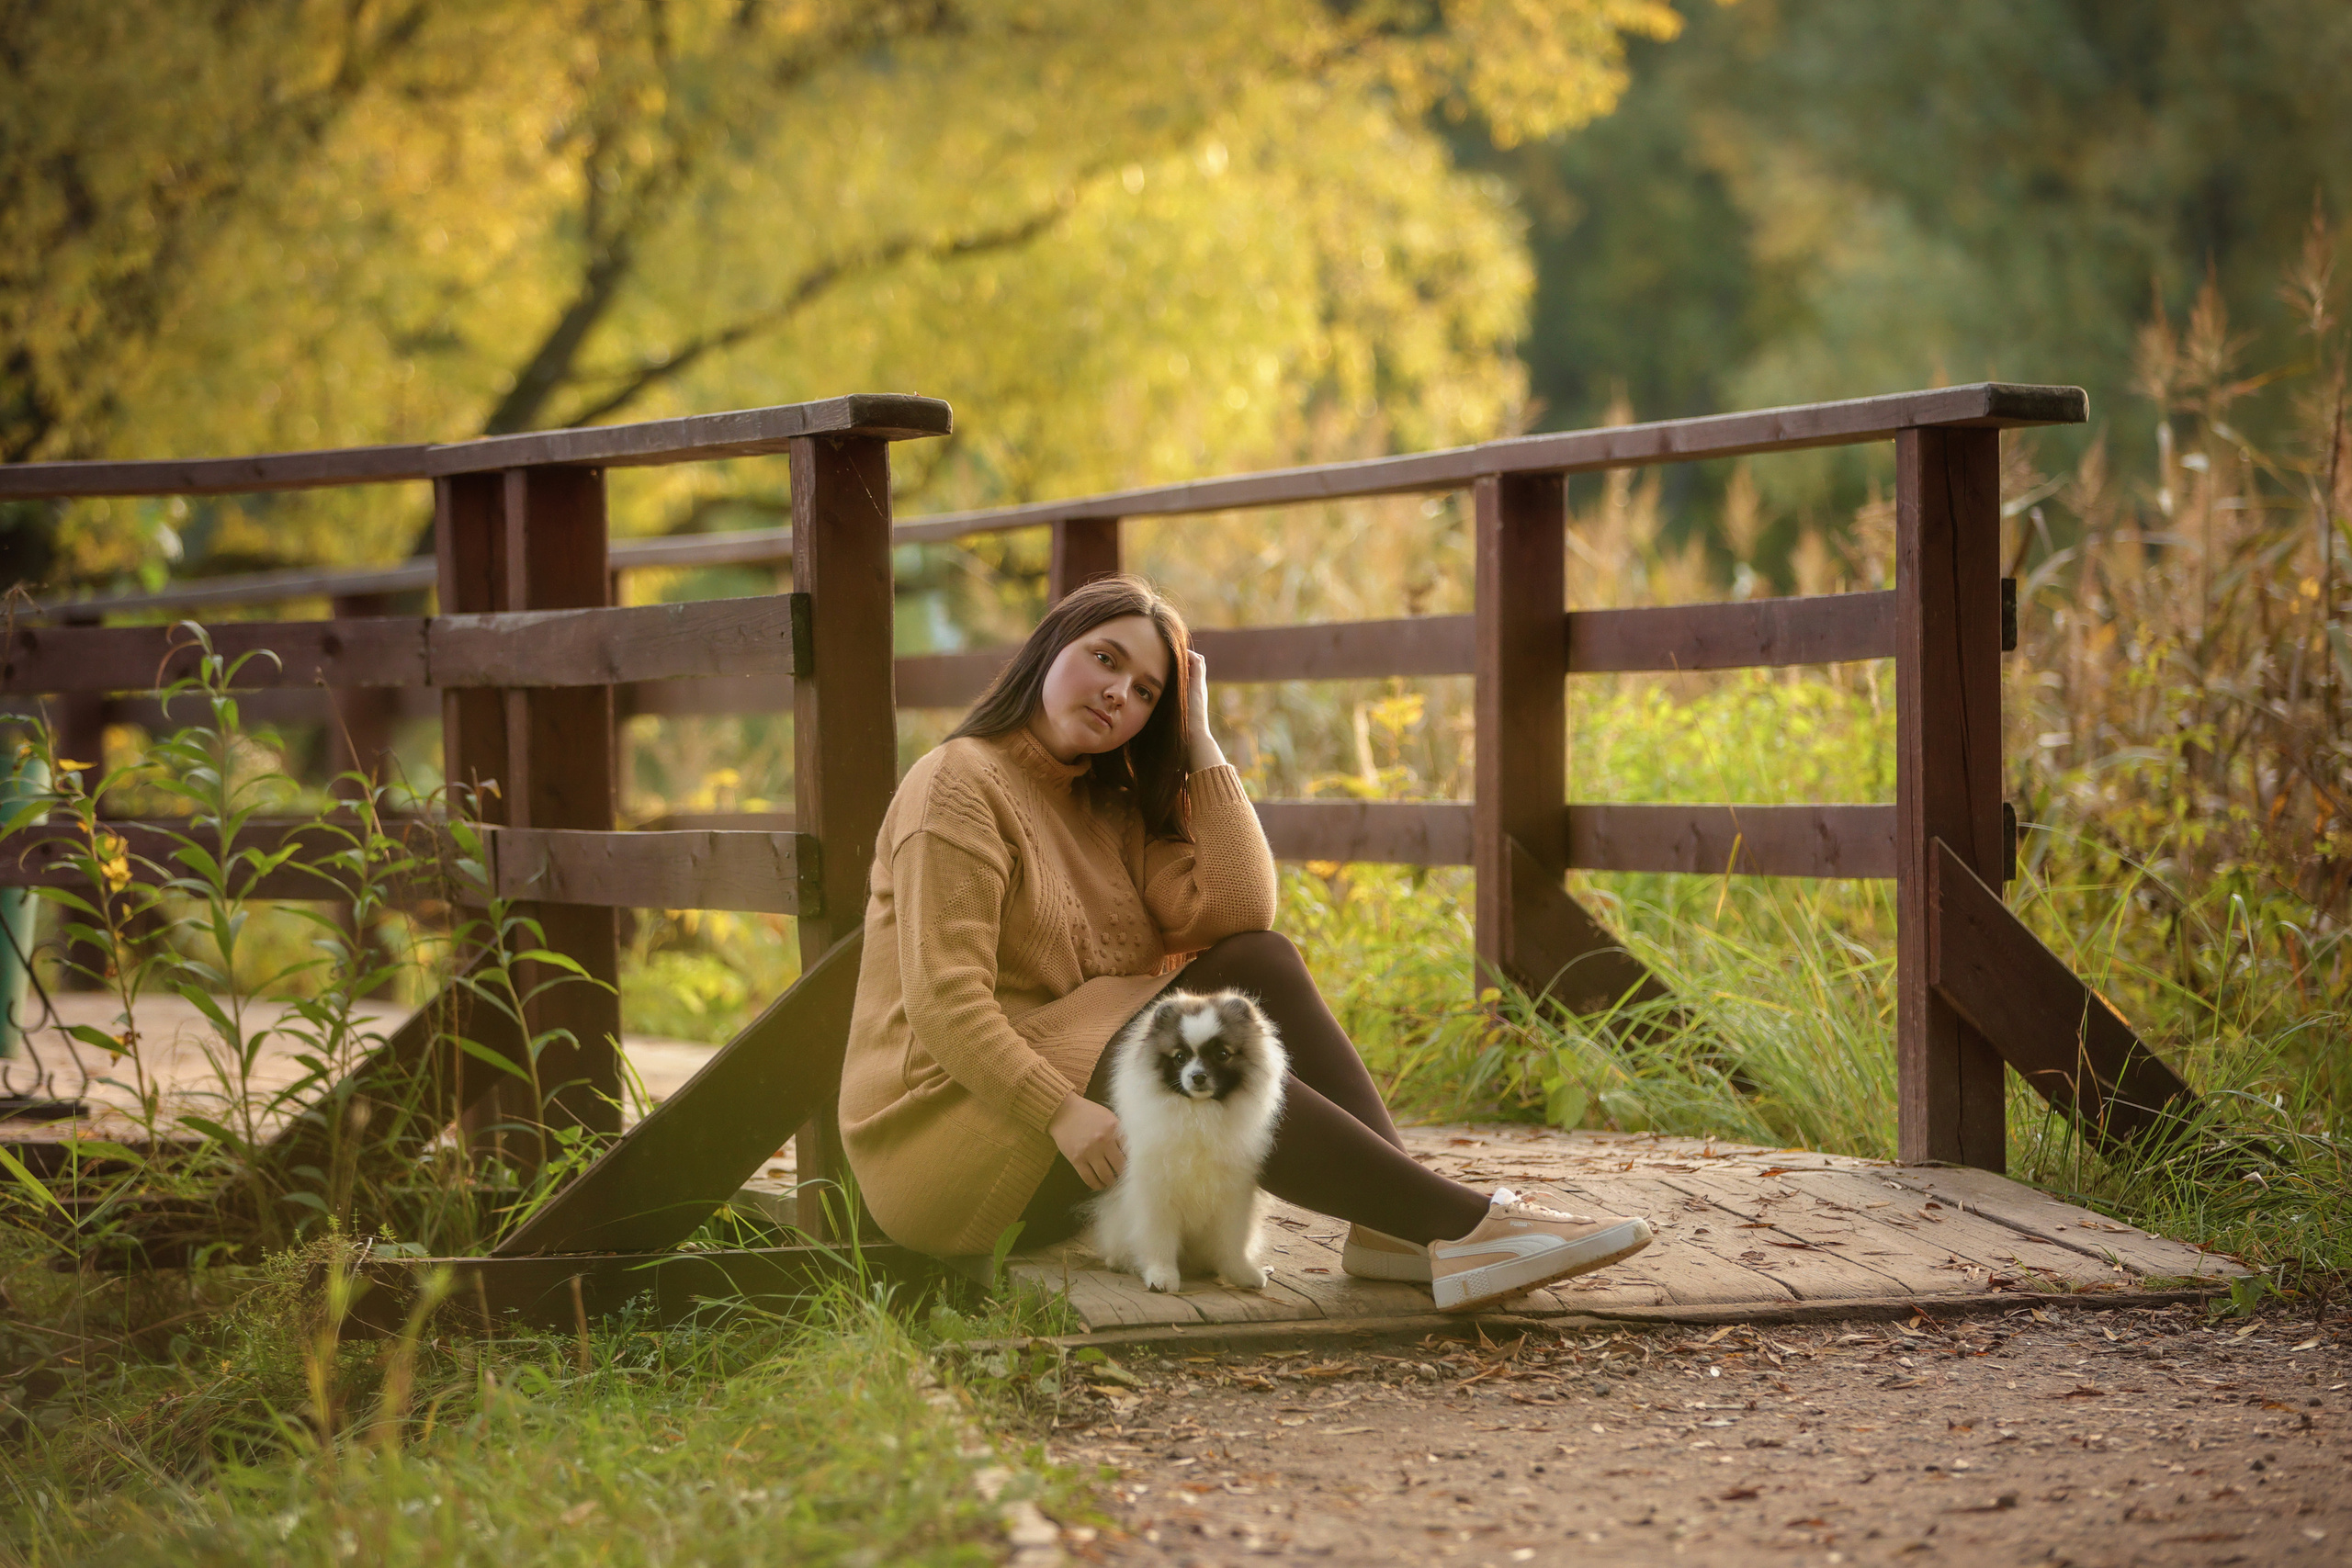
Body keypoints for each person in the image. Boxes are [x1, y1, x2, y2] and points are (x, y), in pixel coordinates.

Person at [837, 577, 1653, 1312]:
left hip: (1076, 1131)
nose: (1117, 691)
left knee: (1261, 961)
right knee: (1163, 1038)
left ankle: (1399, 1232)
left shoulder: (1109, 810)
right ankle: (1460, 1222)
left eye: (1147, 690)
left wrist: (1198, 737)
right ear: (1051, 646)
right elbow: (945, 1002)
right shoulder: (958, 782)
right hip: (952, 1142)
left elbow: (1238, 908)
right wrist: (1059, 1111)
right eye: (1103, 657)